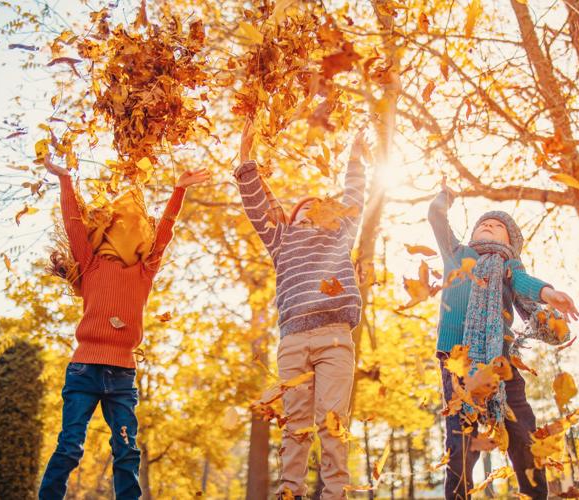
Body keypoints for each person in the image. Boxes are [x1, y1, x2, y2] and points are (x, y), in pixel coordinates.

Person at [38, 157, 209, 499]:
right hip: (84, 370)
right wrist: (65, 180)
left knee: (127, 452)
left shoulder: (144, 272)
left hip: (121, 376)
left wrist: (179, 190)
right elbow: (73, 223)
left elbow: (165, 233)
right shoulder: (90, 264)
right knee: (70, 446)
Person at [234, 120, 366, 500]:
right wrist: (246, 162)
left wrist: (356, 158)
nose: (311, 209)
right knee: (296, 425)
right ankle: (290, 492)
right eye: (303, 208)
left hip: (334, 338)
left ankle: (334, 493)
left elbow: (355, 195)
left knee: (332, 421)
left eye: (319, 207)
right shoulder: (282, 240)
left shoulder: (340, 235)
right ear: (290, 220)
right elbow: (258, 204)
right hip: (292, 341)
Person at [428, 175, 579, 500]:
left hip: (502, 363)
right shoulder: (457, 253)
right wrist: (446, 195)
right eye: (484, 223)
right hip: (457, 362)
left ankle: (535, 495)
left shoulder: (509, 267)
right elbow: (435, 217)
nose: (489, 226)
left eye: (497, 226)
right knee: (461, 440)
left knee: (523, 433)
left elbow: (525, 283)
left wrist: (548, 293)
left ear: (510, 241)